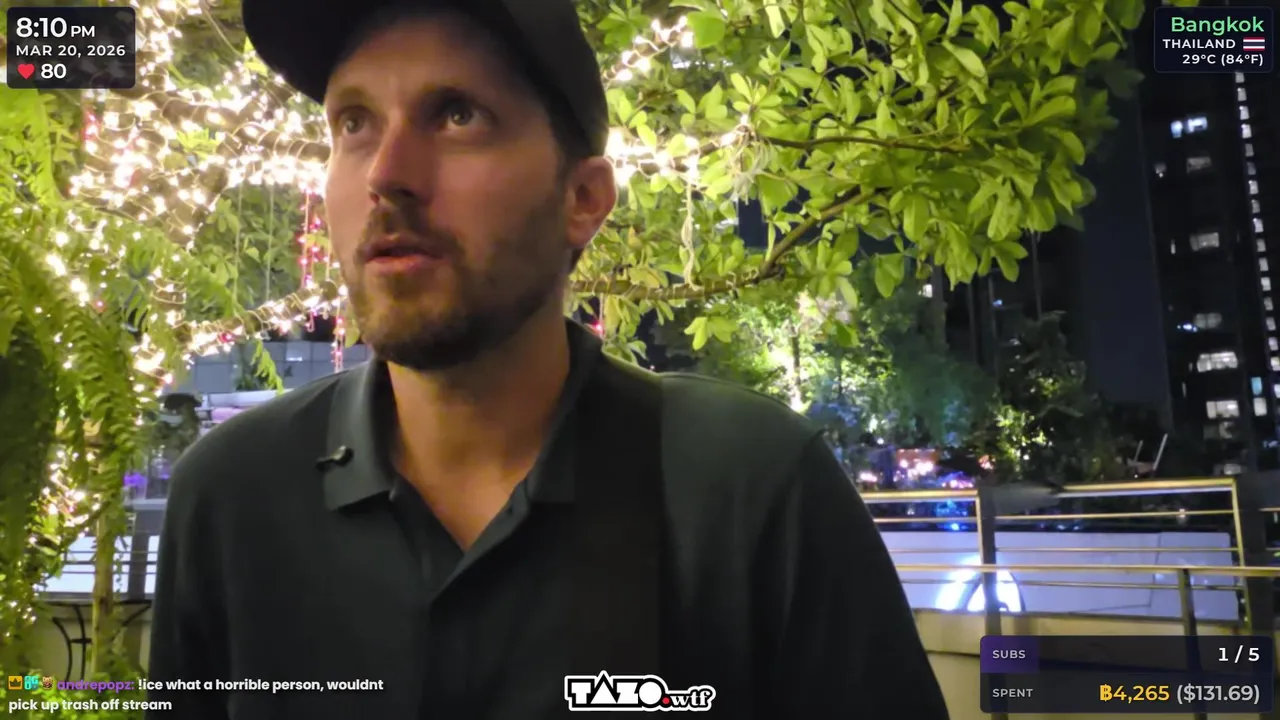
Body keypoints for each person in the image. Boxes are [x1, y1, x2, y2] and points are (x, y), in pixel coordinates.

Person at [146, 0, 950, 718]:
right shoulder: (231, 497)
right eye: (353, 123)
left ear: (583, 200)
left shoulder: (752, 489)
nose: (387, 174)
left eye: (456, 114)